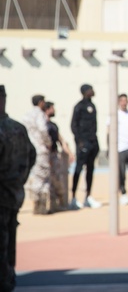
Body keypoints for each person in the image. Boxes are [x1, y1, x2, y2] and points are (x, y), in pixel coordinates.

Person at [1, 85, 36, 292]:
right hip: (13, 194)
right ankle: (8, 277)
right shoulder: (17, 128)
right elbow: (31, 156)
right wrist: (19, 179)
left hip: (5, 195)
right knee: (9, 238)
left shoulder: (10, 129)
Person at [70, 84, 100, 210]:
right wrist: (79, 141)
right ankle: (73, 198)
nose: (92, 91)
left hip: (92, 142)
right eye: (89, 89)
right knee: (78, 169)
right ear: (84, 92)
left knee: (90, 169)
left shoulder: (92, 106)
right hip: (83, 143)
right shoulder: (79, 107)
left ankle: (88, 196)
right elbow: (73, 125)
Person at [23, 95, 52, 215]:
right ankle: (41, 206)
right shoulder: (39, 114)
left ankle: (37, 203)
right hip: (41, 149)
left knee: (36, 176)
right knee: (43, 177)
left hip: (30, 149)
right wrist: (48, 143)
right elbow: (43, 130)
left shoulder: (27, 115)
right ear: (40, 102)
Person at [43, 101, 72, 212]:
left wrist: (69, 153)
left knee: (57, 181)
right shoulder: (42, 125)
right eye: (52, 108)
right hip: (45, 156)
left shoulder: (53, 125)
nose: (54, 110)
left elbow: (61, 140)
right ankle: (46, 205)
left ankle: (57, 204)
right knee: (46, 182)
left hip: (54, 156)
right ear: (47, 109)